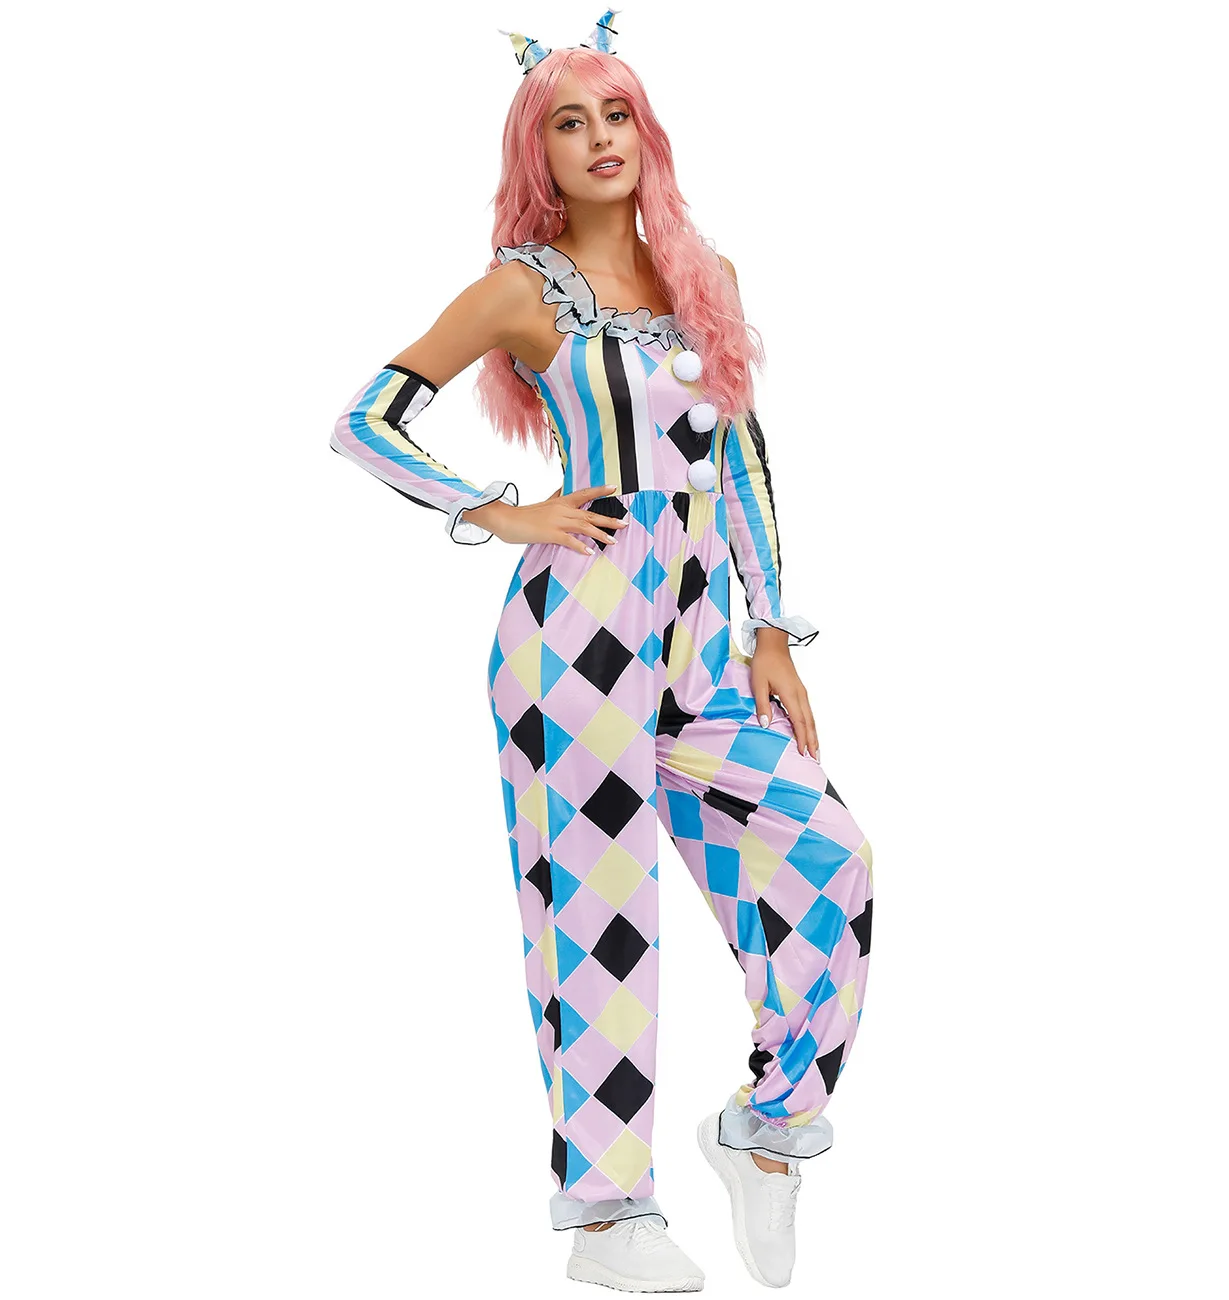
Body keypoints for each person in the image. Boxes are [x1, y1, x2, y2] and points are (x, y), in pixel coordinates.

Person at [329, 9, 873, 1292]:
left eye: (615, 113)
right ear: (541, 152)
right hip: (574, 632)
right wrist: (496, 509)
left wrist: (771, 628)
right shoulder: (519, 290)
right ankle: (608, 1213)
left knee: (827, 858)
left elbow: (741, 458)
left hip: (703, 639)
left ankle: (767, 1130)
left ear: (646, 130)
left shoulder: (704, 274)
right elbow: (364, 421)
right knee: (593, 911)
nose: (598, 139)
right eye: (568, 123)